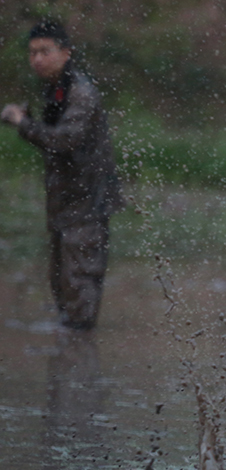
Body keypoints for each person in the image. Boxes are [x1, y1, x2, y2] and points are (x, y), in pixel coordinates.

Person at [1, 20, 122, 330]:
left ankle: (81, 367)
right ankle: (68, 367)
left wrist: (23, 124)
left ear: (65, 52)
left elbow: (64, 140)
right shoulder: (56, 89)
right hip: (65, 204)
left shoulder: (81, 92)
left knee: (79, 289)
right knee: (61, 287)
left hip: (87, 204)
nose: (37, 59)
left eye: (45, 51)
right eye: (32, 53)